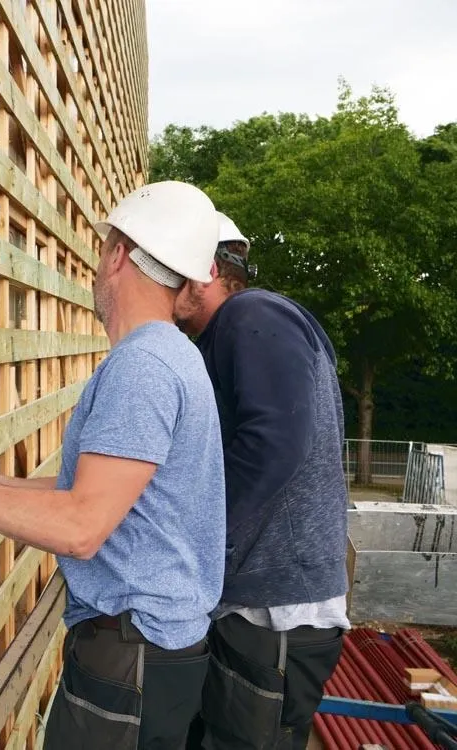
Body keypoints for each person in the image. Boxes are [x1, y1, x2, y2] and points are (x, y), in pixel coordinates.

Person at [0, 181, 227, 749]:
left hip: (133, 656)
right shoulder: (171, 355)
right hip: (153, 654)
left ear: (117, 254)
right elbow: (110, 493)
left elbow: (80, 528)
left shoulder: (143, 369)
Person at [174, 212, 349, 750]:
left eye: (165, 267)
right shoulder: (225, 335)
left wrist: (188, 538)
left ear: (202, 269)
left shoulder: (253, 314)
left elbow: (273, 444)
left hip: (276, 615)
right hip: (258, 607)